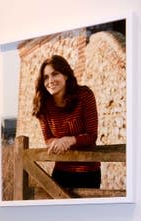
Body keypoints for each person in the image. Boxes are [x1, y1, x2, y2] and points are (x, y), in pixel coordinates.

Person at [33, 54, 100, 189]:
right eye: (46, 77)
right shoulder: (43, 104)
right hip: (61, 171)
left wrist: (70, 140)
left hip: (88, 172)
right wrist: (56, 142)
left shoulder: (84, 95)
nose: (50, 80)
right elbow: (48, 139)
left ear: (66, 75)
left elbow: (92, 135)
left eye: (55, 74)